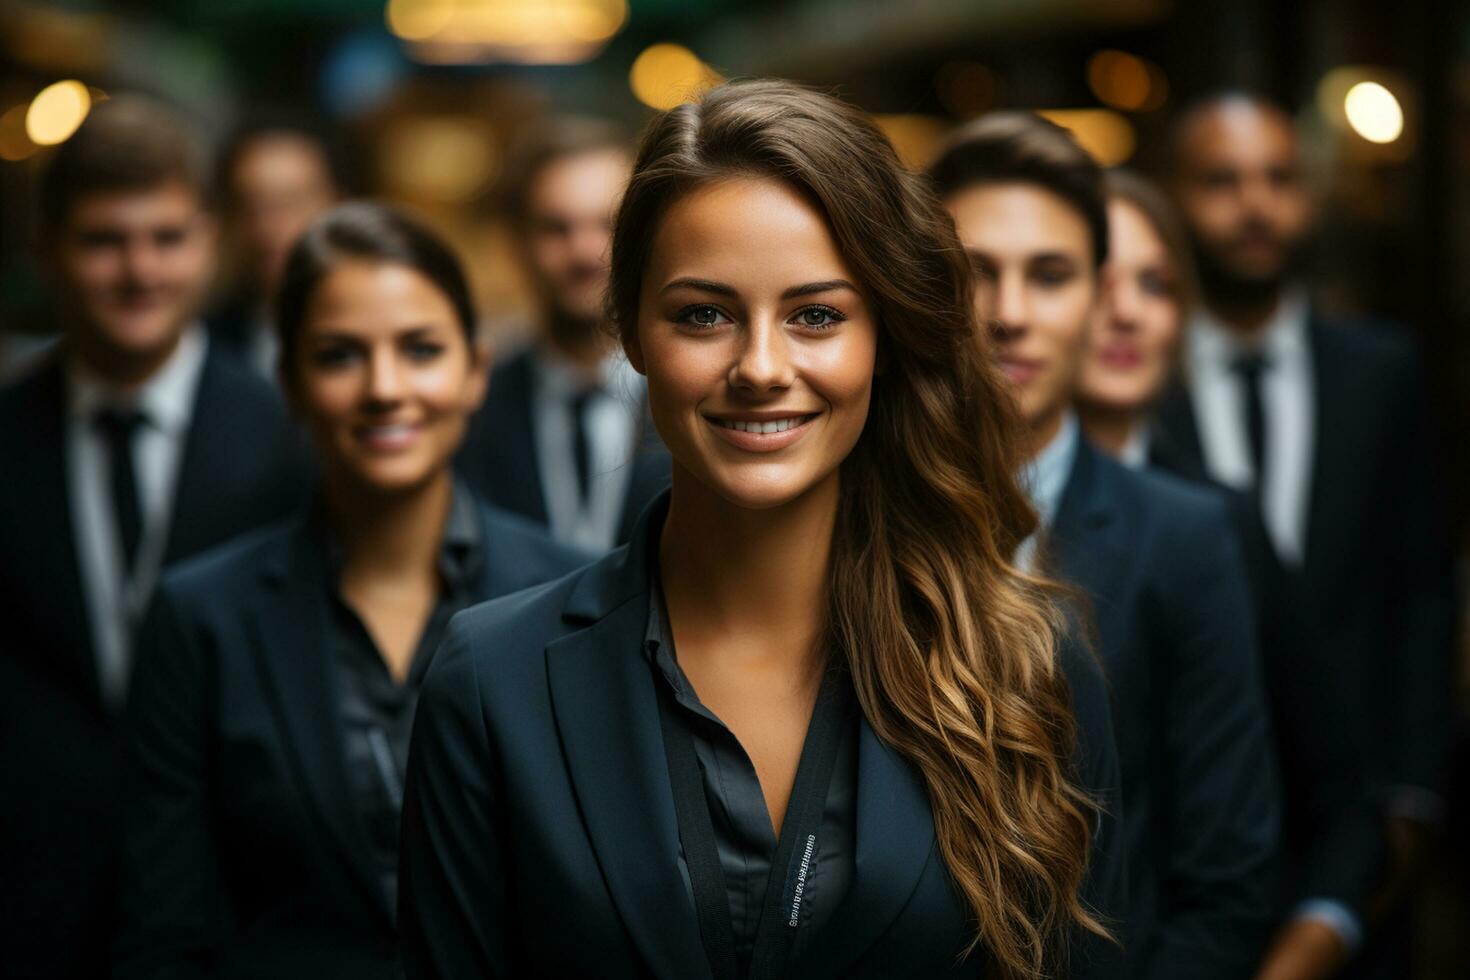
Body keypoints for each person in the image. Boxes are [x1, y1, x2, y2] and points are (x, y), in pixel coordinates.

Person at [399, 80, 1126, 980]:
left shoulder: (1024, 666)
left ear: (885, 337)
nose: (760, 367)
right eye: (703, 314)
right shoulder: (490, 683)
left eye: (816, 315)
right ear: (629, 331)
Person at [114, 202, 590, 979]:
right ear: (292, 384)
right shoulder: (200, 616)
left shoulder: (577, 594)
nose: (384, 388)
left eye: (421, 349)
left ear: (474, 371)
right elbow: (162, 931)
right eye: (339, 355)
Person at [928, 113, 1280, 979]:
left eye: (1049, 275)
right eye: (976, 274)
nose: (1010, 315)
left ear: (1095, 295)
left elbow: (1227, 882)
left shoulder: (1184, 539)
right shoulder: (844, 517)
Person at [0, 96, 308, 979]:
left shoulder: (288, 437)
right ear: (50, 249)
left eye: (167, 237)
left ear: (211, 242)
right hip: (31, 909)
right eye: (104, 240)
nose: (139, 269)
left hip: (235, 904)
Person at [1156, 92, 1457, 980]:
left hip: (1359, 823)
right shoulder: (1138, 387)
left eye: (1279, 180)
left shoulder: (1382, 371)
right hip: (1190, 832)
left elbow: (1420, 591)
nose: (1255, 206)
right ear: (1172, 199)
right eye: (1221, 182)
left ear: (1310, 196)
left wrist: (1411, 797)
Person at [455, 118, 670, 551]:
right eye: (556, 228)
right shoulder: (470, 412)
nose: (584, 252)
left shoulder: (694, 396)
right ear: (516, 240)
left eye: (608, 225)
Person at [209, 112, 342, 379]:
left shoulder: (377, 329)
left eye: (293, 202)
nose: (272, 227)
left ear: (339, 204)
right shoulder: (206, 342)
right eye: (253, 206)